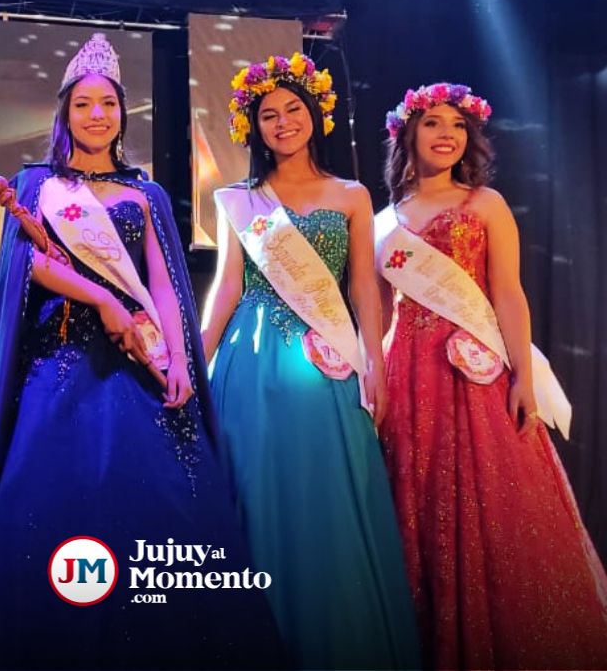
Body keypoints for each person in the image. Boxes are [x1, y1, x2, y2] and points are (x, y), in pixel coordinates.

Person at [0, 34, 285, 670]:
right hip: (59, 358)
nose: (96, 115)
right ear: (65, 114)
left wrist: (179, 358)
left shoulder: (144, 194)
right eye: (83, 105)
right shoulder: (36, 185)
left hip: (136, 363)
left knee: (156, 502)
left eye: (107, 104)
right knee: (47, 498)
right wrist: (103, 298)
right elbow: (29, 265)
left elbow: (164, 282)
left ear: (122, 114)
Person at [199, 53, 420, 668]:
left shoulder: (351, 195)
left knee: (328, 494)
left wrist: (374, 364)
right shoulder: (239, 200)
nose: (283, 122)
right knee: (256, 488)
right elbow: (228, 286)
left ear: (315, 115)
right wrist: (195, 361)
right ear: (254, 128)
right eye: (268, 114)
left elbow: (363, 289)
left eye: (293, 109)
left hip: (330, 360)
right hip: (251, 358)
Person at [376, 82, 607, 669]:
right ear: (408, 133)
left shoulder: (486, 204)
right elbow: (376, 312)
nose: (447, 134)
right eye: (433, 123)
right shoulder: (383, 222)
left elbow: (507, 293)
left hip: (475, 373)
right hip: (408, 372)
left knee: (494, 502)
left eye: (458, 125)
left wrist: (523, 376)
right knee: (416, 499)